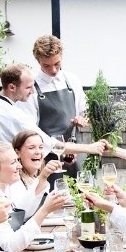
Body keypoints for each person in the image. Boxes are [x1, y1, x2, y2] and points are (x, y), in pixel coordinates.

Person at [0, 63, 105, 162]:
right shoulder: (15, 116)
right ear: (12, 87)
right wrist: (90, 148)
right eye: (28, 87)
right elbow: (52, 144)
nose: (32, 91)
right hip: (3, 170)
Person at [16, 35, 90, 179]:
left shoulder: (72, 80)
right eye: (47, 66)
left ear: (61, 56)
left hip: (74, 151)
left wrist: (83, 119)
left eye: (57, 63)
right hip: (47, 157)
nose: (54, 70)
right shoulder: (31, 87)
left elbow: (85, 112)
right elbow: (30, 130)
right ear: (38, 61)